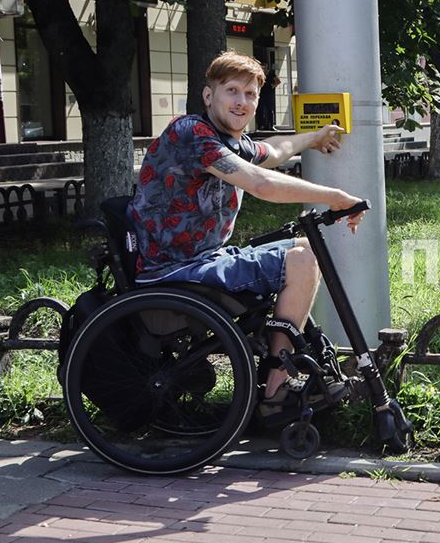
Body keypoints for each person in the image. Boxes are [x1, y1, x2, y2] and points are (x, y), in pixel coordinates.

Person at [128, 51, 367, 415]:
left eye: (251, 94)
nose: (242, 102)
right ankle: (275, 391)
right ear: (209, 96)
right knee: (302, 259)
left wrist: (314, 137)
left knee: (302, 250)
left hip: (201, 262)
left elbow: (273, 152)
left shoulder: (227, 141)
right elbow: (260, 183)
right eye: (232, 91)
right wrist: (333, 197)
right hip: (173, 271)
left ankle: (281, 372)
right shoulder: (191, 133)